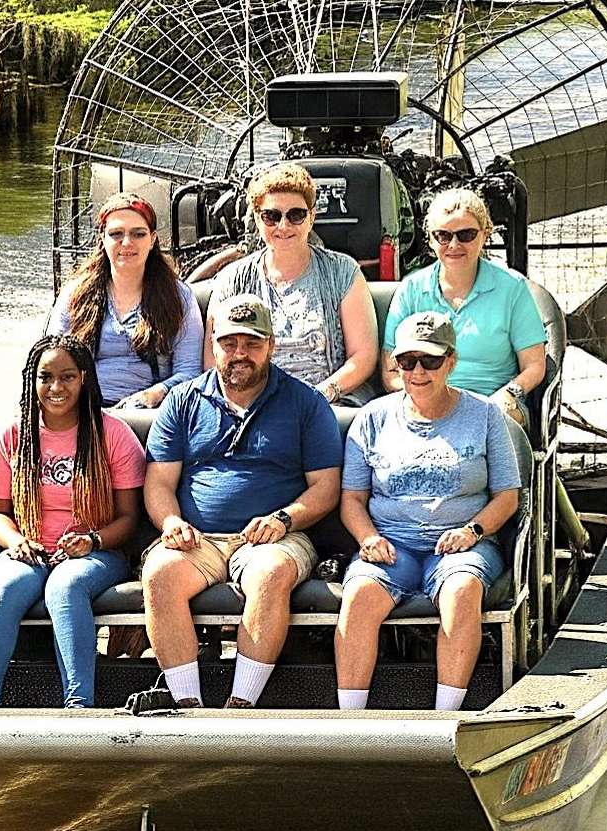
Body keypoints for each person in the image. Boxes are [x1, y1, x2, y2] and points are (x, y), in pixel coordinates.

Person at [142, 293, 344, 708]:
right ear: (213, 343)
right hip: (198, 540)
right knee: (160, 573)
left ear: (271, 345)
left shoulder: (306, 403)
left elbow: (325, 487)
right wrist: (170, 523)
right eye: (230, 343)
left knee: (271, 573)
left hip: (273, 538)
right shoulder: (183, 401)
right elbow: (159, 483)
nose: (240, 354)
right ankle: (186, 707)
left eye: (252, 344)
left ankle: (241, 707)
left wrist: (284, 519)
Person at [336, 311, 523, 712]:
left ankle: (445, 716)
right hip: (391, 543)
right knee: (358, 597)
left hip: (462, 543)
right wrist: (368, 538)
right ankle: (350, 721)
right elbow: (351, 499)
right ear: (396, 365)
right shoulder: (371, 418)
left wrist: (472, 531)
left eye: (430, 361)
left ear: (451, 361)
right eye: (407, 362)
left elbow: (508, 495)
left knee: (461, 591)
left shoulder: (486, 415)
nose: (418, 371)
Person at [0, 334, 148, 708]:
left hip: (96, 551)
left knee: (64, 587)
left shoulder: (112, 434)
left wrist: (93, 540)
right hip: (29, 548)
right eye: (45, 376)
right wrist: (16, 541)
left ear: (84, 378)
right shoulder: (12, 436)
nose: (55, 387)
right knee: (8, 587)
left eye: (66, 377)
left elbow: (129, 519)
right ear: (31, 381)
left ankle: (79, 706)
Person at [210, 163, 380, 405]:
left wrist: (320, 396)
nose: (283, 226)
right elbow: (214, 358)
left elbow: (363, 356)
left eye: (295, 215)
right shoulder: (233, 279)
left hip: (327, 402)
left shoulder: (342, 271)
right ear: (258, 219)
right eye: (272, 216)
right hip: (253, 402)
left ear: (311, 218)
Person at [381, 188, 549, 429]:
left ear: (485, 235)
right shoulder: (411, 290)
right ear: (430, 239)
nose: (454, 245)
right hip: (422, 401)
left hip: (493, 402)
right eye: (443, 236)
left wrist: (509, 393)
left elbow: (535, 365)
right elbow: (390, 371)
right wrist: (425, 397)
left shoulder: (513, 289)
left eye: (466, 234)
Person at [48, 193, 204, 409]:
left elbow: (190, 372)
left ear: (153, 240)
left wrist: (154, 394)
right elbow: (51, 361)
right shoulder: (75, 294)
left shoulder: (179, 297)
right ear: (102, 239)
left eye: (138, 234)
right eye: (116, 234)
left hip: (152, 414)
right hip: (85, 410)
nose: (127, 243)